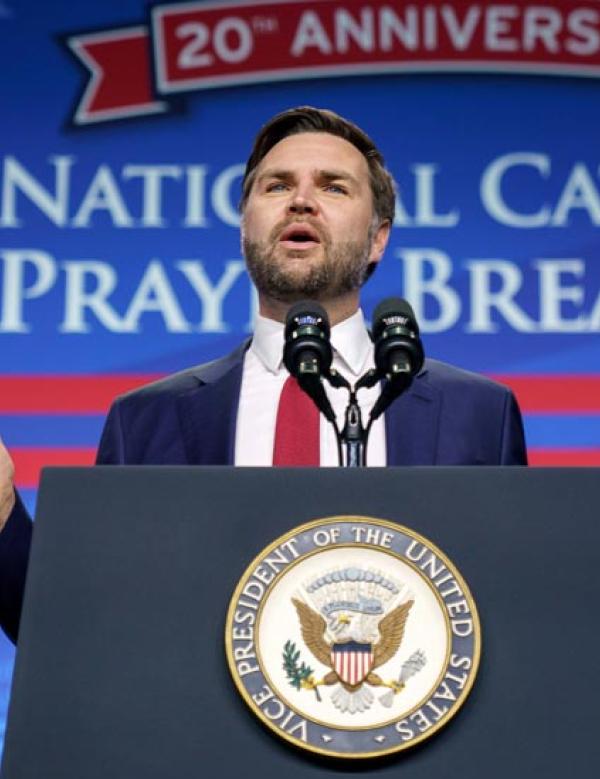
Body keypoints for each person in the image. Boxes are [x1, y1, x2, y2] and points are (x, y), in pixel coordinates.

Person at [0, 107, 527, 643]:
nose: (301, 200)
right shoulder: (145, 421)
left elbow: (517, 627)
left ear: (377, 239)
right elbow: (81, 639)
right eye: (276, 186)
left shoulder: (478, 414)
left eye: (334, 188)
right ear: (245, 226)